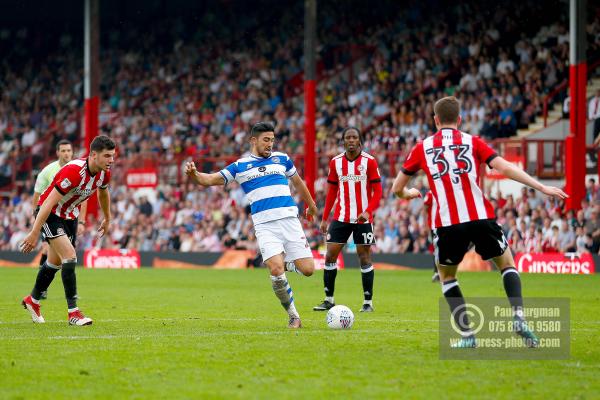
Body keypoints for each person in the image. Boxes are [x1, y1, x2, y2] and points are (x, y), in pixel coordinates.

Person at [392, 96, 568, 348]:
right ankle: (518, 318)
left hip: (448, 222)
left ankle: (468, 336)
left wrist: (408, 194)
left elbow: (398, 188)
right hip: (480, 216)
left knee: (447, 277)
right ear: (460, 119)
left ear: (436, 120)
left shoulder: (422, 147)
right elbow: (505, 168)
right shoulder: (472, 141)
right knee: (507, 263)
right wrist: (540, 186)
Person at [185, 121, 317, 328]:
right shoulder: (240, 166)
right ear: (253, 140)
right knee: (275, 271)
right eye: (266, 140)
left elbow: (298, 182)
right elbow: (209, 180)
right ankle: (294, 316)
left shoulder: (282, 159)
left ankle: (288, 264)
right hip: (265, 226)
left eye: (272, 140)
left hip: (290, 221)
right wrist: (194, 175)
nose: (270, 144)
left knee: (309, 270)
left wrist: (311, 205)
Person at [20, 135, 116, 326]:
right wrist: (34, 232)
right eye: (107, 156)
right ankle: (73, 313)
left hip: (70, 216)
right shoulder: (73, 171)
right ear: (94, 155)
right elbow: (48, 202)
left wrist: (107, 217)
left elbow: (103, 192)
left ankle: (33, 300)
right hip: (51, 213)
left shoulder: (104, 172)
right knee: (70, 256)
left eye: (113, 156)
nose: (111, 160)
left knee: (54, 262)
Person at [313, 127, 382, 313]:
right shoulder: (335, 162)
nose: (351, 140)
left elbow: (378, 192)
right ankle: (329, 300)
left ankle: (368, 302)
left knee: (364, 257)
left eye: (354, 137)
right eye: (347, 137)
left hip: (363, 219)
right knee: (330, 256)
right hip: (341, 217)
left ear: (360, 141)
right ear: (343, 141)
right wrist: (325, 218)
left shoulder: (370, 162)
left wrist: (368, 211)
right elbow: (332, 192)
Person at [31, 139, 77, 299]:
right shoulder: (48, 171)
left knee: (60, 257)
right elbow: (37, 196)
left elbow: (82, 197)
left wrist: (82, 220)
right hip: (50, 216)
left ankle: (38, 291)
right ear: (57, 152)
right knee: (50, 249)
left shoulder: (77, 170)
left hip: (70, 217)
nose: (66, 153)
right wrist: (36, 220)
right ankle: (43, 291)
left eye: (69, 150)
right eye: (63, 151)